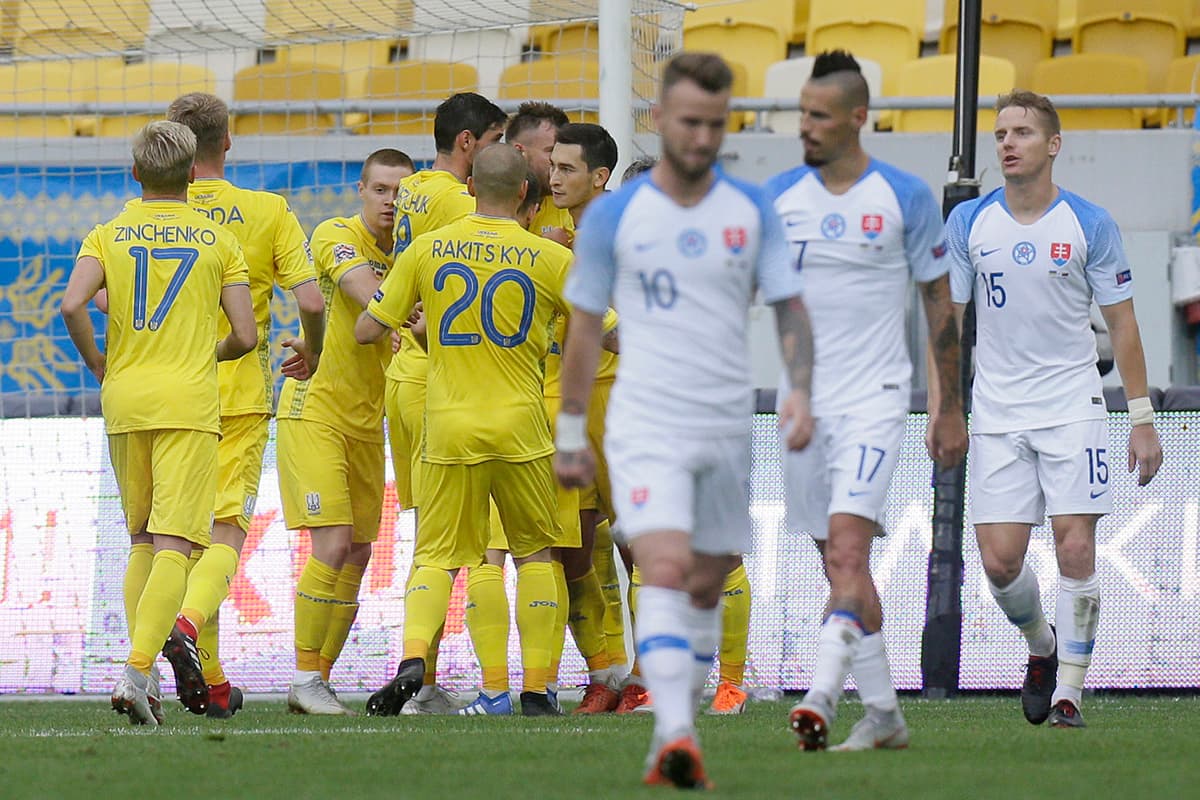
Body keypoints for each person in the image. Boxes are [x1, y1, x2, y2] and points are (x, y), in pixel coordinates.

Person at [555, 53, 812, 789]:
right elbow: (581, 329)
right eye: (688, 122)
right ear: (662, 120)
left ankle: (698, 692)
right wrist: (572, 432)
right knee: (662, 567)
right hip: (645, 418)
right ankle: (675, 738)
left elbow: (790, 308)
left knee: (709, 577)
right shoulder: (615, 215)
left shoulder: (750, 208)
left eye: (714, 123)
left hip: (726, 420)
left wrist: (800, 389)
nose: (700, 137)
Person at [940, 89, 1163, 728]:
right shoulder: (969, 224)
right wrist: (945, 408)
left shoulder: (1089, 223)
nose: (1008, 143)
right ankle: (1042, 645)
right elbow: (948, 324)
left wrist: (1142, 418)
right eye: (1001, 132)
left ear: (1053, 145)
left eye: (1023, 133)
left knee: (1074, 547)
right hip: (999, 409)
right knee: (1001, 563)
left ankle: (1069, 690)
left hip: (1073, 403)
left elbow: (1122, 325)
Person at [766, 50, 967, 752]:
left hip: (878, 400)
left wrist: (949, 406)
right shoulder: (780, 197)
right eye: (801, 114)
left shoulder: (905, 197)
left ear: (858, 118)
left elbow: (940, 309)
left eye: (819, 116)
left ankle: (820, 695)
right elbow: (782, 307)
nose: (806, 127)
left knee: (849, 554)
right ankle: (884, 716)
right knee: (836, 562)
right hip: (808, 410)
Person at [358, 144, 572, 718]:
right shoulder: (550, 258)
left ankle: (411, 661)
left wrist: (413, 323)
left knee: (437, 556)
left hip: (449, 426)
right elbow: (610, 332)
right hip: (522, 427)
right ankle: (537, 689)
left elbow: (364, 330)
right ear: (526, 193)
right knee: (534, 555)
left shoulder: (427, 250)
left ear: (471, 187)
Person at [60, 120, 256, 725]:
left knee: (142, 539)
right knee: (177, 544)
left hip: (125, 398)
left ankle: (137, 671)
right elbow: (246, 336)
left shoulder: (107, 233)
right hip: (188, 403)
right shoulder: (219, 239)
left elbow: (71, 304)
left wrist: (99, 361)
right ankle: (137, 672)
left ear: (136, 173)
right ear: (194, 174)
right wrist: (209, 354)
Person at [163, 91, 326, 719]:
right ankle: (185, 625)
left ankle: (211, 679)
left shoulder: (148, 217)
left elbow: (104, 301)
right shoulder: (266, 211)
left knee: (174, 541)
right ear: (227, 143)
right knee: (226, 534)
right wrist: (311, 353)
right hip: (238, 396)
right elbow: (311, 302)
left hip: (167, 398)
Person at [276, 149, 413, 715]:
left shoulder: (413, 253)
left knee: (358, 550)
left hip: (367, 423)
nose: (389, 202)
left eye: (400, 194)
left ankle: (320, 680)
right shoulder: (337, 234)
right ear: (361, 189)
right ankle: (304, 676)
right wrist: (415, 312)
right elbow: (364, 293)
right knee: (331, 542)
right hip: (315, 409)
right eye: (380, 190)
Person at [384, 91, 507, 714]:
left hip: (405, 379)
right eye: (495, 143)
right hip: (442, 380)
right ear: (469, 143)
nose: (499, 157)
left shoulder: (412, 191)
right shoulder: (459, 202)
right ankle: (497, 688)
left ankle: (422, 679)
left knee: (429, 542)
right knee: (480, 540)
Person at [505, 100, 573, 243]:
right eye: (551, 151)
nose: (561, 160)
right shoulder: (485, 204)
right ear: (519, 151)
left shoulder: (570, 205)